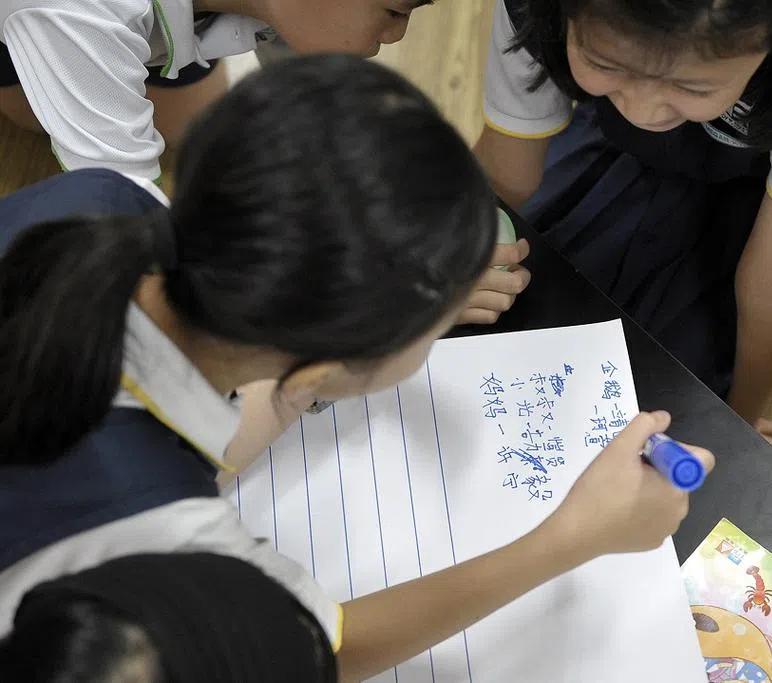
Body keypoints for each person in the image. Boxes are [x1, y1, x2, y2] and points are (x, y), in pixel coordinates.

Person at [0, 54, 713, 682]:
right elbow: (321, 648)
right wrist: (572, 537)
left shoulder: (96, 201)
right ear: (323, 370)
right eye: (427, 332)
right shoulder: (175, 555)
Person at [473, 0, 772, 478]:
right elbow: (507, 173)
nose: (642, 110)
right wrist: (453, 268)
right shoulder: (536, 8)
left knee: (674, 396)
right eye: (602, 63)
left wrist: (738, 421)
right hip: (654, 135)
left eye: (691, 87)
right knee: (531, 298)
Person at [0, 0, 430, 185]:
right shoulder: (77, 10)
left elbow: (315, 105)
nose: (395, 36)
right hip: (51, 16)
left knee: (194, 123)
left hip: (158, 23)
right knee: (31, 114)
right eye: (394, 11)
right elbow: (123, 207)